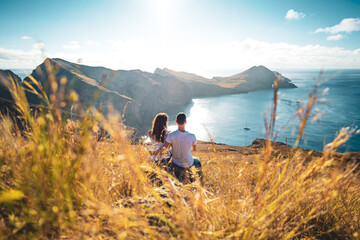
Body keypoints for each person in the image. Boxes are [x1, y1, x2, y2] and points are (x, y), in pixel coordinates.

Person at [163, 112, 202, 183]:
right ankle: (199, 180)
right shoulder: (192, 136)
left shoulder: (171, 135)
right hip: (188, 163)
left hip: (176, 163)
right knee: (197, 161)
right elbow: (193, 149)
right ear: (186, 122)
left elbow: (165, 149)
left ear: (176, 122)